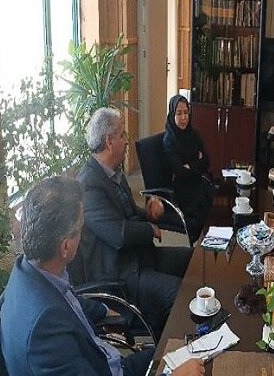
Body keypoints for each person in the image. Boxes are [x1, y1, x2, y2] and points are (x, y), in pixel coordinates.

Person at [0, 177, 204, 376]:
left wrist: (104, 309)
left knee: (187, 351)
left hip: (106, 360)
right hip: (106, 368)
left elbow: (69, 298)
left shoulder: (31, 270)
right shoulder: (46, 332)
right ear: (65, 246)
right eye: (81, 227)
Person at [76, 107, 193, 340]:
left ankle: (169, 328)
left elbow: (127, 214)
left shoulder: (111, 172)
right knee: (182, 296)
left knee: (193, 260)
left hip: (139, 256)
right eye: (122, 135)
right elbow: (118, 234)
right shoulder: (88, 185)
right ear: (109, 142)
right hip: (121, 274)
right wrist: (150, 229)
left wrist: (148, 214)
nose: (127, 140)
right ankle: (167, 350)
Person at [163, 94, 214, 242]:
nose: (183, 117)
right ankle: (201, 243)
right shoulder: (169, 140)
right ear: (172, 114)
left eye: (186, 112)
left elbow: (206, 161)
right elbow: (180, 172)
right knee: (203, 206)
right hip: (182, 189)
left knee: (215, 200)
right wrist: (197, 162)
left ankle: (211, 241)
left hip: (197, 181)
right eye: (179, 113)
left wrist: (189, 165)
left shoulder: (193, 134)